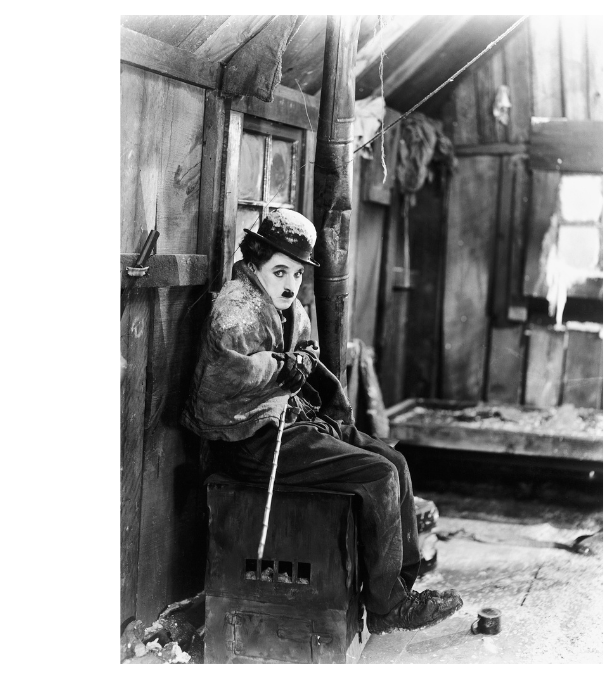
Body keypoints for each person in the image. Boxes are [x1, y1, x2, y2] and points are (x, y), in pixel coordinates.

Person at [182, 209, 462, 634]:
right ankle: (389, 608)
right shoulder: (236, 308)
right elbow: (226, 375)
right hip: (248, 439)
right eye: (280, 271)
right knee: (378, 475)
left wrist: (301, 360)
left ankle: (401, 589)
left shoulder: (288, 307)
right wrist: (280, 367)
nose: (290, 284)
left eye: (297, 274)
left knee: (396, 463)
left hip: (292, 424)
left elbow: (308, 348)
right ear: (255, 262)